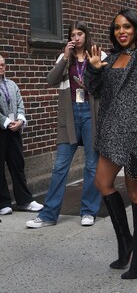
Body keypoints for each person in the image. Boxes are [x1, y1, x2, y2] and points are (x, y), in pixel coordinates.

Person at [84, 9, 137, 280]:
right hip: (111, 133)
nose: (121, 32)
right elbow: (94, 91)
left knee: (135, 192)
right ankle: (127, 242)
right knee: (102, 182)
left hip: (136, 136)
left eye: (127, 27)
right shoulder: (110, 58)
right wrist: (94, 69)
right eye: (118, 27)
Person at [26, 21, 106, 228]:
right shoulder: (65, 58)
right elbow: (50, 80)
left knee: (91, 165)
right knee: (60, 167)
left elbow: (107, 85)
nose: (76, 38)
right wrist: (65, 57)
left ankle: (88, 211)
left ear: (86, 35)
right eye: (73, 34)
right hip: (70, 115)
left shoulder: (98, 54)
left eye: (80, 34)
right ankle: (48, 215)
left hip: (91, 114)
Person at [0, 55, 43, 215]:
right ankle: (3, 203)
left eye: (3, 64)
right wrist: (5, 121)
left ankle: (25, 201)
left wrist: (20, 120)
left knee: (18, 165)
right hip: (1, 129)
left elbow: (20, 103)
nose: (1, 67)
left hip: (14, 130)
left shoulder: (12, 84)